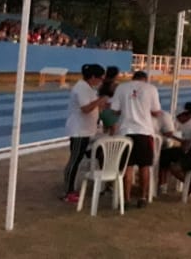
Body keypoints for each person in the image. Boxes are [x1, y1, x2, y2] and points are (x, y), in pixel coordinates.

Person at [110, 70, 161, 208]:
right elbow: (156, 111)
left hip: (125, 132)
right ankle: (142, 197)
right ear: (145, 79)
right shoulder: (151, 89)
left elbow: (114, 110)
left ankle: (126, 199)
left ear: (133, 78)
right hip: (144, 132)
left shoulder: (121, 87)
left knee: (128, 167)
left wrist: (127, 109)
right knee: (144, 167)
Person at [62, 63, 107, 203]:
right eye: (100, 78)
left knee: (96, 154)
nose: (100, 81)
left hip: (87, 130)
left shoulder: (88, 88)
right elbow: (86, 109)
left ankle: (102, 183)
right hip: (79, 131)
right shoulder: (81, 88)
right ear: (93, 77)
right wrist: (100, 100)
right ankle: (68, 191)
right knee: (75, 160)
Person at [97, 66, 120, 134]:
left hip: (101, 111)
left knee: (105, 130)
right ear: (115, 75)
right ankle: (110, 143)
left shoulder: (101, 85)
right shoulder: (115, 86)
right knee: (113, 131)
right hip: (111, 111)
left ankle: (104, 142)